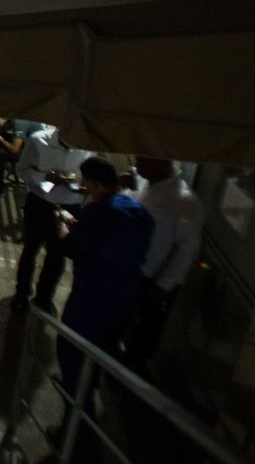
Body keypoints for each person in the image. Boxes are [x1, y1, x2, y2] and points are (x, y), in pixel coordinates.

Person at [56, 157, 154, 458]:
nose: (83, 187)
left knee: (71, 356)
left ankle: (78, 432)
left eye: (85, 182)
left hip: (91, 296)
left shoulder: (99, 211)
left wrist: (64, 230)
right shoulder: (140, 211)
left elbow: (74, 247)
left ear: (96, 183)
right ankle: (90, 391)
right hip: (124, 298)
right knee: (98, 354)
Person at [120, 156, 203, 374]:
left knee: (143, 333)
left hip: (151, 278)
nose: (136, 166)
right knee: (117, 321)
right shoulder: (142, 182)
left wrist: (163, 286)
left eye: (141, 161)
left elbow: (188, 248)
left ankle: (129, 377)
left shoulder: (184, 200)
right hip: (126, 267)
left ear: (162, 163)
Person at [12, 127, 94, 315]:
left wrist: (84, 186)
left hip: (70, 206)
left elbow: (88, 176)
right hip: (41, 203)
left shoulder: (87, 145)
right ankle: (21, 293)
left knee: (57, 255)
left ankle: (44, 297)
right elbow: (21, 169)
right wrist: (45, 177)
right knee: (30, 249)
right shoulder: (39, 140)